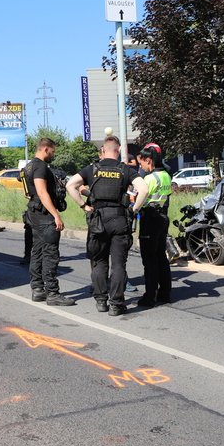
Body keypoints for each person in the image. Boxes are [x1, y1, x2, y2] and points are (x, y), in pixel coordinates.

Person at [67, 135, 147, 316]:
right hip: (119, 219)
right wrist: (134, 209)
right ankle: (116, 304)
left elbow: (71, 185)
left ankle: (101, 301)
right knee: (118, 264)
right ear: (118, 151)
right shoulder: (125, 170)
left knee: (99, 262)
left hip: (97, 220)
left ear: (103, 150)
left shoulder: (92, 169)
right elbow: (144, 189)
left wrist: (84, 206)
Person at [22, 138, 74, 306]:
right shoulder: (40, 166)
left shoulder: (28, 166)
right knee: (50, 254)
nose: (54, 154)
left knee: (37, 251)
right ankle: (52, 293)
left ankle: (37, 289)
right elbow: (42, 192)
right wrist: (56, 215)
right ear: (45, 149)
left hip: (34, 214)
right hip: (44, 216)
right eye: (53, 151)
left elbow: (27, 192)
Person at [135, 146, 173, 308]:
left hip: (150, 219)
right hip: (163, 217)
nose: (141, 167)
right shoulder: (166, 175)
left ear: (148, 161)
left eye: (142, 163)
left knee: (149, 259)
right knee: (161, 257)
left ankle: (150, 296)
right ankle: (165, 293)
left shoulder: (150, 179)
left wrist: (134, 208)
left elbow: (140, 196)